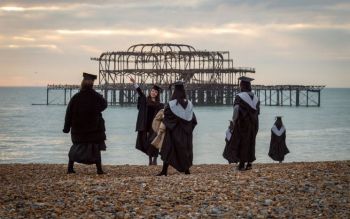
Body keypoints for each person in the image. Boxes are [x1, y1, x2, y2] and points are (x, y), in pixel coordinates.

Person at [63, 72, 107, 174]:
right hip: (93, 130)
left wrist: (66, 128)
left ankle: (70, 168)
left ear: (82, 83)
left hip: (78, 131)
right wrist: (97, 110)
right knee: (95, 148)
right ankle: (99, 170)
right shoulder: (96, 96)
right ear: (92, 84)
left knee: (76, 147)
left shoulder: (75, 97)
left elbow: (68, 113)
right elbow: (104, 104)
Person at [157, 81, 197, 176]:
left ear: (175, 92)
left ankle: (164, 171)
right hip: (186, 133)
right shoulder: (190, 104)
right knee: (186, 150)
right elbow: (193, 119)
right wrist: (188, 128)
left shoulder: (171, 104)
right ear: (184, 92)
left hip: (174, 132)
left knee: (168, 149)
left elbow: (167, 116)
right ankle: (186, 170)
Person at [223, 76, 260, 171]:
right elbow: (258, 112)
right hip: (254, 124)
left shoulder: (240, 97)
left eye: (240, 84)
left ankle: (242, 164)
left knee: (242, 142)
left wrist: (234, 120)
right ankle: (250, 163)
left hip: (243, 124)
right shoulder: (256, 97)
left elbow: (236, 110)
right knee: (251, 142)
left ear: (242, 85)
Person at [129, 76, 164, 165]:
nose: (154, 93)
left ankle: (155, 159)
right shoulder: (145, 100)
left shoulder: (159, 104)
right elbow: (140, 93)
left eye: (155, 92)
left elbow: (163, 115)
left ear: (157, 94)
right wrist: (134, 83)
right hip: (146, 125)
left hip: (155, 126)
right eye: (152, 91)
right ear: (150, 92)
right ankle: (149, 159)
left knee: (155, 141)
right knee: (148, 142)